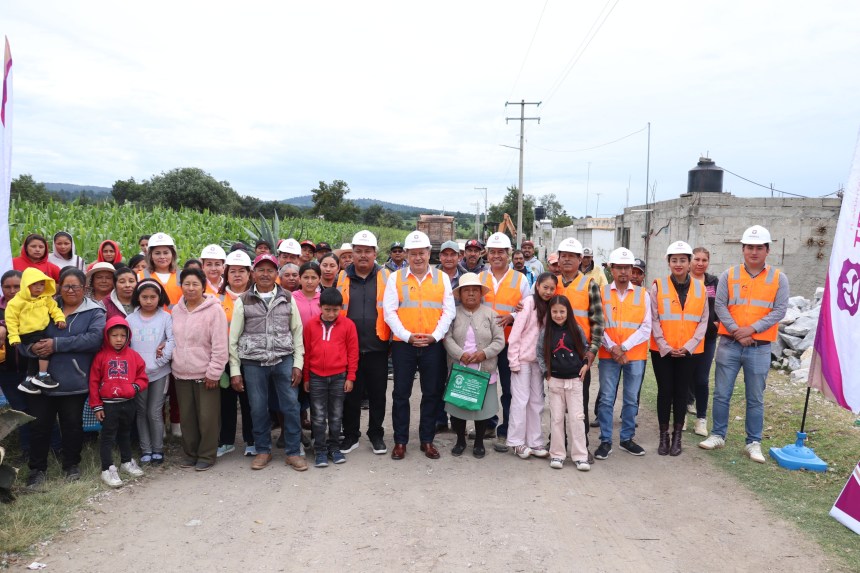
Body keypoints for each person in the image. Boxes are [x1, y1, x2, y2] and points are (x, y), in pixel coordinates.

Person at [700, 225, 789, 464]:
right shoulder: (730, 275)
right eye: (750, 247)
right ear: (743, 249)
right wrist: (737, 332)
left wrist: (752, 329)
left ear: (767, 250)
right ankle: (718, 435)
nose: (754, 252)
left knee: (755, 397)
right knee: (721, 393)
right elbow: (720, 305)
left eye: (759, 247)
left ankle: (753, 442)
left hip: (759, 347)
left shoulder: (778, 278)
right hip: (730, 344)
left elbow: (780, 310)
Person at [25, 268, 106, 488]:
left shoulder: (95, 311)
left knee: (72, 425)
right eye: (66, 286)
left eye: (75, 286)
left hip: (74, 380)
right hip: (40, 380)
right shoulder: (43, 306)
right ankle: (37, 470)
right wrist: (32, 348)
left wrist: (56, 344)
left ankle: (71, 465)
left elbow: (94, 339)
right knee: (39, 426)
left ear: (85, 288)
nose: (70, 291)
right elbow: (25, 334)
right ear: (59, 287)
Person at [228, 254, 307, 472]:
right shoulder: (243, 300)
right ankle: (263, 450)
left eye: (270, 270)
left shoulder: (287, 298)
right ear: (253, 273)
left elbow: (297, 332)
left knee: (291, 406)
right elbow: (233, 339)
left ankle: (293, 452)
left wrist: (297, 364)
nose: (265, 274)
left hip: (283, 359)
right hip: (253, 362)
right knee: (258, 408)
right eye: (261, 270)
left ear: (276, 274)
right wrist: (235, 370)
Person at [383, 231, 455, 460]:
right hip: (404, 345)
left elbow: (449, 311)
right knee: (401, 393)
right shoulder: (396, 278)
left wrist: (435, 336)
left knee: (431, 393)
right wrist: (407, 336)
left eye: (421, 253)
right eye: (413, 253)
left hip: (433, 345)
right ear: (406, 254)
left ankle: (427, 440)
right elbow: (389, 312)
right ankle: (400, 441)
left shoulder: (441, 278)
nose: (417, 258)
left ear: (429, 253)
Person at [649, 241, 708, 456]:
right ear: (668, 262)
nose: (678, 264)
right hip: (662, 351)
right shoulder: (658, 286)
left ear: (689, 262)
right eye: (674, 260)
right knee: (665, 392)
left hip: (689, 352)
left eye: (683, 260)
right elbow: (654, 318)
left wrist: (689, 346)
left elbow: (703, 320)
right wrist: (665, 346)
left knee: (681, 393)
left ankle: (677, 437)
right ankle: (663, 436)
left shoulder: (701, 288)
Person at [337, 230, 392, 455]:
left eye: (367, 251)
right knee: (351, 394)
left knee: (378, 394)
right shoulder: (342, 277)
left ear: (375, 254)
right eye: (358, 251)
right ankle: (351, 435)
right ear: (352, 253)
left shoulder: (386, 276)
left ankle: (376, 433)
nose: (362, 255)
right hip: (349, 348)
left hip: (378, 346)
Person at [594, 248, 651, 460]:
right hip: (608, 355)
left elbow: (646, 327)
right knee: (606, 399)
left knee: (631, 399)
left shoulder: (643, 294)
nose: (624, 272)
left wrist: (624, 347)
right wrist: (612, 348)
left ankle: (627, 438)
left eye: (628, 267)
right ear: (611, 269)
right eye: (619, 267)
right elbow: (597, 324)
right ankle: (605, 440)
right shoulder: (601, 292)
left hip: (634, 355)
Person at [171, 267, 229, 472]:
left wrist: (214, 372)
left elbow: (220, 345)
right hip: (181, 372)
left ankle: (206, 454)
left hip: (206, 373)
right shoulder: (177, 310)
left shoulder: (214, 310)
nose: (190, 288)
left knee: (207, 418)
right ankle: (190, 453)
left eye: (195, 284)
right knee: (187, 418)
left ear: (203, 286)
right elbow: (173, 338)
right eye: (186, 284)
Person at [442, 273, 505, 458]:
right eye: (466, 291)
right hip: (459, 368)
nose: (471, 294)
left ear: (480, 294)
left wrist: (483, 353)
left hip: (484, 369)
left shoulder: (491, 314)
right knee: (457, 409)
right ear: (460, 294)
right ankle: (460, 440)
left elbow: (499, 340)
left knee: (481, 410)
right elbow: (447, 338)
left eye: (475, 290)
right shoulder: (452, 314)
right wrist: (460, 354)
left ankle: (479, 442)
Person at [479, 232, 530, 452]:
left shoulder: (520, 279)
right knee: (485, 386)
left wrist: (513, 316)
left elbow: (529, 308)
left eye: (501, 252)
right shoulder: (480, 278)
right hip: (485, 344)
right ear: (487, 254)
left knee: (509, 390)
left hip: (510, 343)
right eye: (493, 252)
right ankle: (487, 425)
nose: (497, 256)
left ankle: (506, 430)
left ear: (508, 254)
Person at [554, 238, 604, 460]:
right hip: (555, 353)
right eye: (563, 255)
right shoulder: (552, 283)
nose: (566, 259)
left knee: (579, 404)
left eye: (571, 256)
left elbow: (598, 321)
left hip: (580, 355)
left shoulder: (589, 284)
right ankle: (557, 443)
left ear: (580, 259)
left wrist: (592, 352)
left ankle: (582, 446)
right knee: (557, 403)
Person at [89, 316, 148, 487]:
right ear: (107, 336)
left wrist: (134, 388)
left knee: (125, 433)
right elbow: (93, 382)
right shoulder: (101, 356)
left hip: (128, 402)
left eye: (123, 335)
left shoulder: (133, 356)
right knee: (108, 436)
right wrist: (96, 405)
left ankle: (126, 461)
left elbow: (143, 377)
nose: (119, 339)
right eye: (114, 335)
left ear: (128, 336)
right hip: (108, 405)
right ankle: (107, 468)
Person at [303, 288, 358, 467]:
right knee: (318, 416)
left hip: (339, 377)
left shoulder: (348, 325)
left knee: (336, 415)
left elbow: (353, 353)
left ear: (341, 308)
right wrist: (306, 377)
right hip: (316, 377)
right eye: (327, 309)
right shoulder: (310, 325)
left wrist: (350, 377)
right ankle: (320, 450)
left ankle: (334, 448)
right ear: (320, 307)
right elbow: (307, 352)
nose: (331, 314)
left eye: (335, 310)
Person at [537, 295, 593, 471]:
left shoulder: (576, 329)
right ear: (550, 313)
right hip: (555, 381)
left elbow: (585, 348)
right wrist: (546, 373)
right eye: (554, 312)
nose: (558, 315)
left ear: (568, 312)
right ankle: (557, 454)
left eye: (562, 311)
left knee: (577, 418)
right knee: (557, 419)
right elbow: (540, 353)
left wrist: (585, 364)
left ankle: (580, 456)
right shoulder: (545, 332)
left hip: (575, 381)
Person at [507, 272, 558, 458]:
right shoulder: (528, 303)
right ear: (537, 286)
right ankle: (516, 442)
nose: (548, 291)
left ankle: (535, 442)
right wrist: (513, 360)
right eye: (545, 287)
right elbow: (516, 333)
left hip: (539, 362)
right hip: (521, 361)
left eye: (552, 288)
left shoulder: (552, 307)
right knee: (520, 401)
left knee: (537, 402)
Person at [138, 232, 182, 436]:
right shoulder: (142, 276)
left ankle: (176, 422)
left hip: (177, 333)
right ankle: (159, 424)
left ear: (173, 254)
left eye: (166, 252)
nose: (162, 257)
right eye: (157, 253)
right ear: (150, 255)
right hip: (152, 335)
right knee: (157, 381)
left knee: (176, 382)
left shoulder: (181, 276)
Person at [127, 279, 174, 465]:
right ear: (137, 298)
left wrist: (160, 361)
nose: (148, 301)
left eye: (153, 297)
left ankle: (158, 449)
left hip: (160, 373)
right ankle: (145, 449)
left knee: (154, 411)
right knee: (141, 411)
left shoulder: (165, 318)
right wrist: (135, 368)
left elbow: (172, 340)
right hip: (138, 374)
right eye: (144, 297)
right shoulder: (130, 319)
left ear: (159, 297)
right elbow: (126, 346)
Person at [217, 249, 255, 457]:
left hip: (250, 358)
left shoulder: (256, 298)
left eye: (242, 271)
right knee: (226, 402)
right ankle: (226, 441)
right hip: (224, 357)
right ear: (226, 274)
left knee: (250, 402)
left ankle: (252, 440)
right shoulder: (217, 299)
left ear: (249, 274)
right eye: (233, 271)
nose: (237, 275)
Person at [6, 267, 67, 393]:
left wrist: (60, 319)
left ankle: (28, 380)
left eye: (42, 284)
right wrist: (13, 336)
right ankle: (42, 376)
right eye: (34, 284)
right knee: (44, 349)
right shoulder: (16, 302)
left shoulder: (46, 298)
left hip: (41, 330)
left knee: (34, 356)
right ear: (26, 284)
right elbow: (11, 320)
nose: (39, 287)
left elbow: (55, 309)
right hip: (27, 333)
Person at [0, 271, 32, 457]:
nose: (12, 291)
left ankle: (54, 448)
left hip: (32, 369)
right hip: (7, 371)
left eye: (17, 286)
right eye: (7, 287)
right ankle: (27, 449)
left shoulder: (34, 305)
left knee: (39, 409)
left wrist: (4, 325)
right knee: (20, 410)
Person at [689, 246, 719, 436]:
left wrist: (717, 322)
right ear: (690, 261)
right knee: (684, 377)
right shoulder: (683, 280)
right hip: (686, 337)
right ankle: (682, 414)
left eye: (704, 260)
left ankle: (701, 419)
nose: (700, 263)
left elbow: (721, 303)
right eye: (697, 259)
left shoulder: (713, 282)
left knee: (701, 378)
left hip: (707, 337)